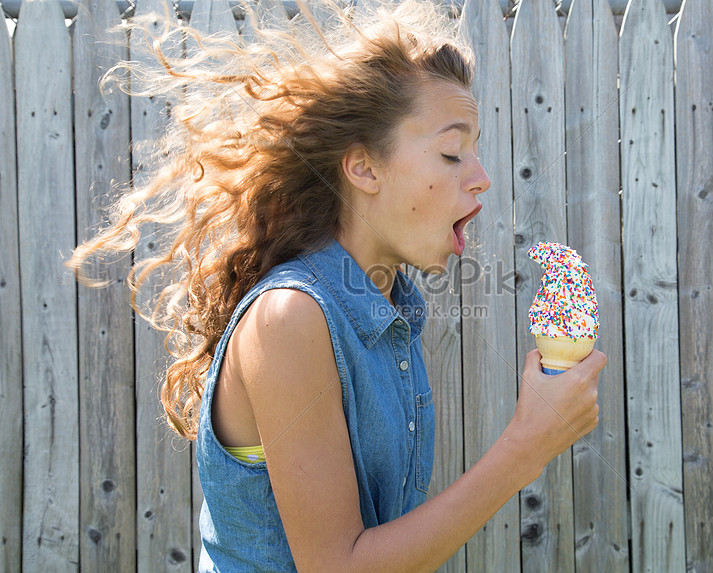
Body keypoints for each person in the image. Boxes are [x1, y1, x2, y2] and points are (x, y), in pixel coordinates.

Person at [68, 1, 606, 570]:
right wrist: (526, 447)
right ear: (364, 169)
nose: (481, 176)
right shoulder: (289, 316)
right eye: (452, 152)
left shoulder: (386, 308)